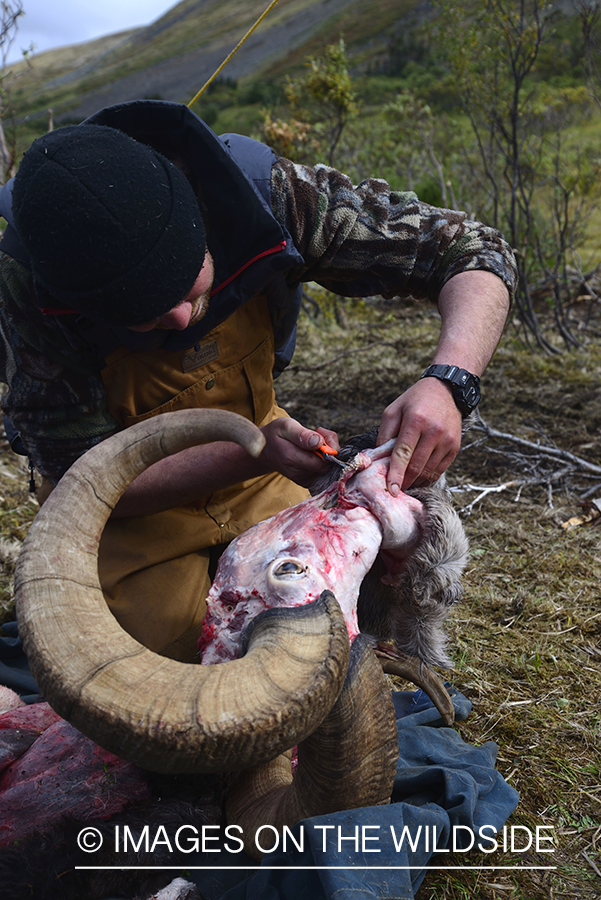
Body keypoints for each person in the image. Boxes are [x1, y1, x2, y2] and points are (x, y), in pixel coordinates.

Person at [0, 100, 516, 661]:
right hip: (127, 522)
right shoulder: (26, 285)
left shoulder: (267, 198)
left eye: (186, 281)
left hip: (266, 488)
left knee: (383, 578)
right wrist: (250, 452)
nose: (176, 319)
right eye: (137, 313)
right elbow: (80, 478)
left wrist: (450, 381)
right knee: (200, 661)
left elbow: (473, 251)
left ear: (198, 215)